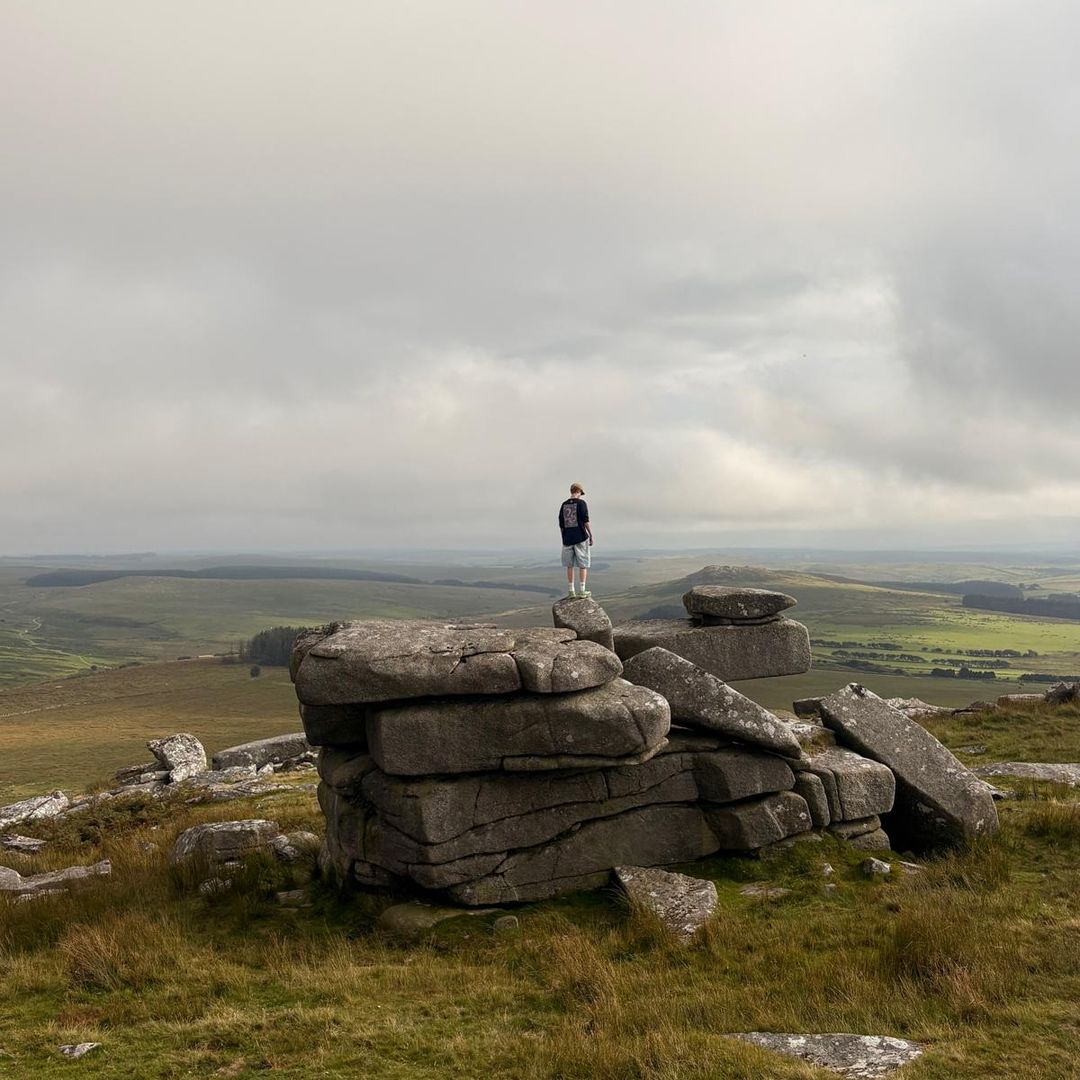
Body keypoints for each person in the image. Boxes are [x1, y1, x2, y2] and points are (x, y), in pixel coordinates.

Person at [558, 482, 594, 598]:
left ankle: (571, 591)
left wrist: (563, 537)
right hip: (580, 537)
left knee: (570, 565)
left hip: (567, 538)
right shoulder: (582, 503)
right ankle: (582, 590)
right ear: (578, 492)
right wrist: (591, 535)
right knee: (583, 564)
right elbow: (585, 520)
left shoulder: (563, 505)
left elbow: (561, 524)